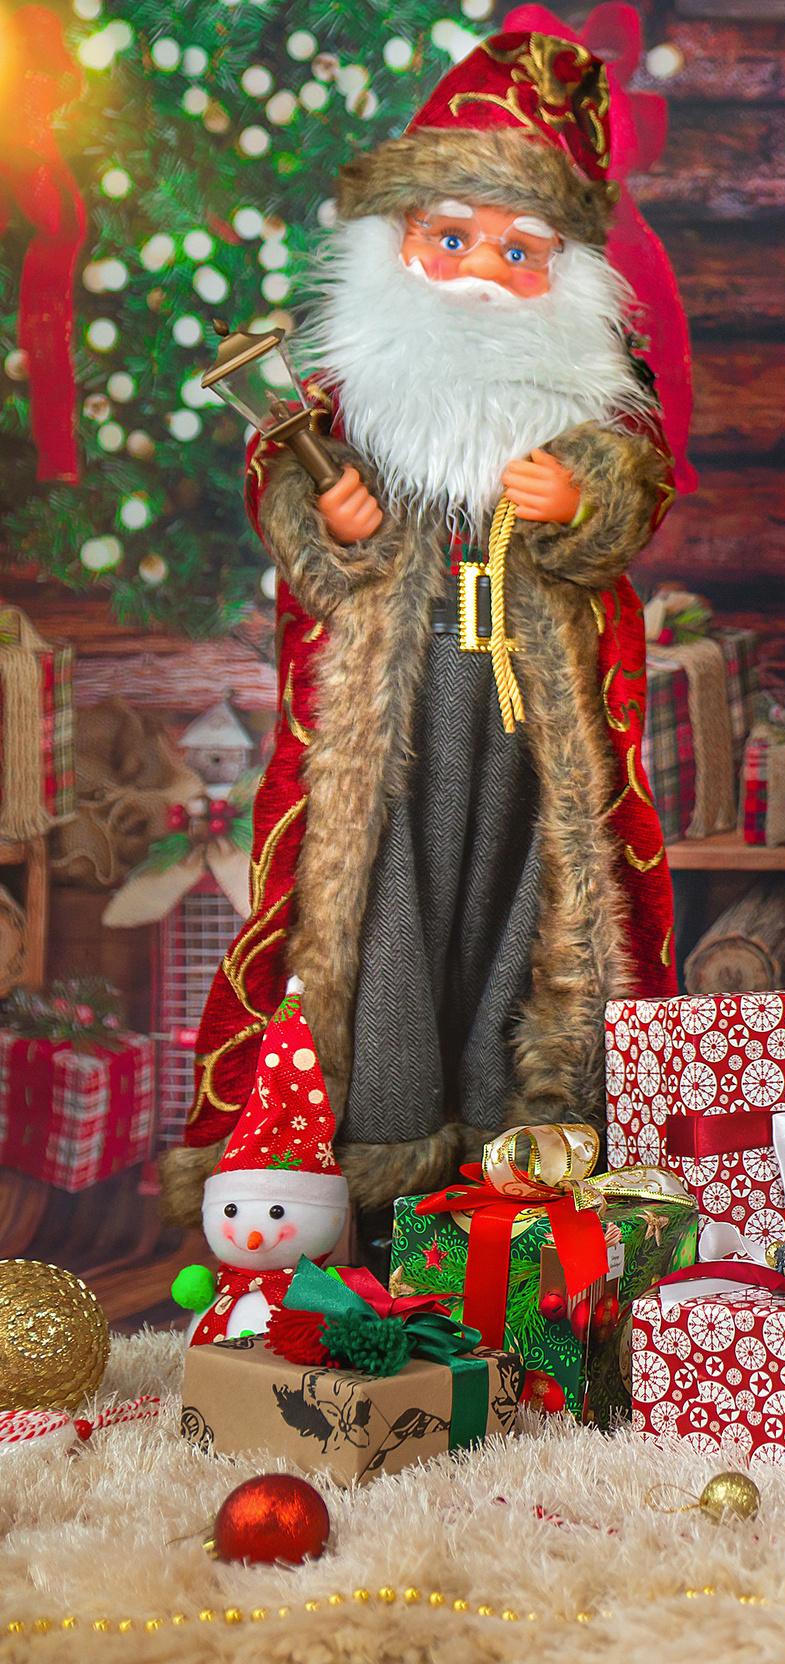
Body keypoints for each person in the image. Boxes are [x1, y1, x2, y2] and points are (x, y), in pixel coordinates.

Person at [163, 33, 679, 1242]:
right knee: (377, 916)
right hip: (389, 723)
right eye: (448, 241)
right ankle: (374, 1161)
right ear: (395, 246)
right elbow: (297, 499)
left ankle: (527, 1167)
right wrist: (328, 519)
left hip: (527, 723)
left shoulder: (586, 401)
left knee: (537, 914)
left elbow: (632, 486)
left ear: (566, 272)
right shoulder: (355, 394)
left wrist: (586, 497)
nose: (480, 276)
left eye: (517, 252)